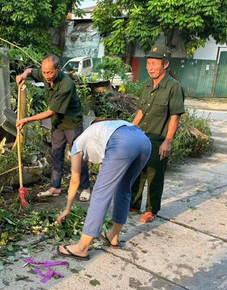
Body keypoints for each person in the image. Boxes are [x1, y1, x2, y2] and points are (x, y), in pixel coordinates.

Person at [56, 119, 151, 260]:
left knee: (100, 194)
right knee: (124, 189)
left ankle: (82, 248)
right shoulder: (96, 135)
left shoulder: (76, 145)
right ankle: (113, 236)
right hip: (143, 141)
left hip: (121, 141)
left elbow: (75, 180)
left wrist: (67, 209)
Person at [16, 54, 91, 201]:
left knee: (78, 156)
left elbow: (51, 112)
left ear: (58, 69)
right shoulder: (45, 74)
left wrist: (26, 119)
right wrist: (23, 75)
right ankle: (55, 187)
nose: (46, 76)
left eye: (49, 72)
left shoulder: (66, 85)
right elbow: (31, 71)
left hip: (71, 123)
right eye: (44, 73)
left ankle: (85, 188)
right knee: (56, 154)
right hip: (58, 123)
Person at [130, 44, 185, 223]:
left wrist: (168, 141)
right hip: (141, 136)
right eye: (148, 63)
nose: (150, 67)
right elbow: (141, 111)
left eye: (154, 63)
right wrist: (130, 129)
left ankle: (152, 209)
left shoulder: (173, 87)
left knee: (154, 175)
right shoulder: (147, 85)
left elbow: (175, 116)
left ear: (165, 64)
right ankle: (134, 203)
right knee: (137, 171)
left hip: (158, 138)